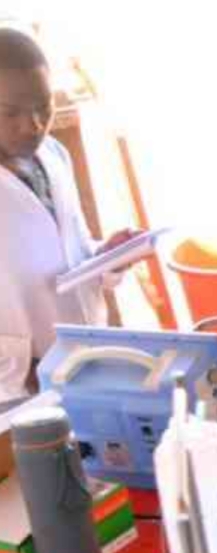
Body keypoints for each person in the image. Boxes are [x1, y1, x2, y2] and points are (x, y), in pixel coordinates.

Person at [0, 28, 140, 402]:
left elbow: (65, 257)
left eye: (43, 107)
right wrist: (18, 365)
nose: (32, 125)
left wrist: (104, 258)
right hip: (17, 389)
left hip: (88, 362)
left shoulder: (54, 156)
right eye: (10, 112)